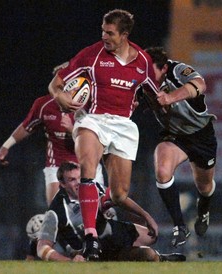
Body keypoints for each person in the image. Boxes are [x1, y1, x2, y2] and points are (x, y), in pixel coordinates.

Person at [48, 9, 159, 260]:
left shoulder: (142, 61)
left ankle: (96, 207)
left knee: (119, 194)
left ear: (124, 35)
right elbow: (56, 83)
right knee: (88, 166)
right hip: (93, 120)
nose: (104, 36)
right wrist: (61, 95)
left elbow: (155, 96)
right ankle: (91, 238)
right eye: (102, 31)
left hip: (123, 126)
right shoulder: (91, 54)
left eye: (110, 33)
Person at [0, 64, 105, 206]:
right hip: (57, 165)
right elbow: (27, 126)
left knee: (98, 213)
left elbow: (99, 140)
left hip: (87, 163)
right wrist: (6, 146)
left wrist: (73, 130)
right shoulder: (43, 105)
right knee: (56, 212)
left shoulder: (90, 104)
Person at [35, 161, 185, 262]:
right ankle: (159, 258)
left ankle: (147, 256)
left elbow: (118, 198)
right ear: (62, 184)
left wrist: (146, 216)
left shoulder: (92, 187)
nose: (79, 183)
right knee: (148, 254)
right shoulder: (56, 211)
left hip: (110, 234)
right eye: (72, 180)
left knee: (151, 236)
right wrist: (69, 261)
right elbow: (42, 247)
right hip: (92, 250)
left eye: (80, 177)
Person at [143, 47, 217, 247]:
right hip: (174, 135)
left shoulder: (178, 70)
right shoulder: (143, 82)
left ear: (164, 68)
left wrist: (170, 97)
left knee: (205, 186)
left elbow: (200, 85)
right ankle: (180, 226)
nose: (147, 76)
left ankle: (204, 210)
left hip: (201, 134)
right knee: (162, 171)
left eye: (151, 71)